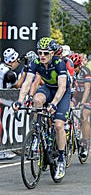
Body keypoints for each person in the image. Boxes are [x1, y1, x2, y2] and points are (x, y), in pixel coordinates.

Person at [12, 37, 71, 180]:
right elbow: (26, 83)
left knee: (58, 125)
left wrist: (54, 104)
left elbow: (62, 87)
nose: (42, 56)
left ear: (52, 53)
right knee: (37, 100)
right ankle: (37, 131)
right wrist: (20, 101)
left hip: (62, 92)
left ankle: (61, 160)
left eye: (45, 53)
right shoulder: (36, 62)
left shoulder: (59, 63)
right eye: (40, 53)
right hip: (48, 88)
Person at [69, 53, 91, 158]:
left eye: (75, 67)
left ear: (79, 66)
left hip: (86, 96)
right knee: (68, 109)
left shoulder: (85, 71)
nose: (73, 69)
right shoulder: (69, 71)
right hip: (76, 95)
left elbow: (87, 89)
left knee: (84, 117)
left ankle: (85, 143)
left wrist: (83, 103)